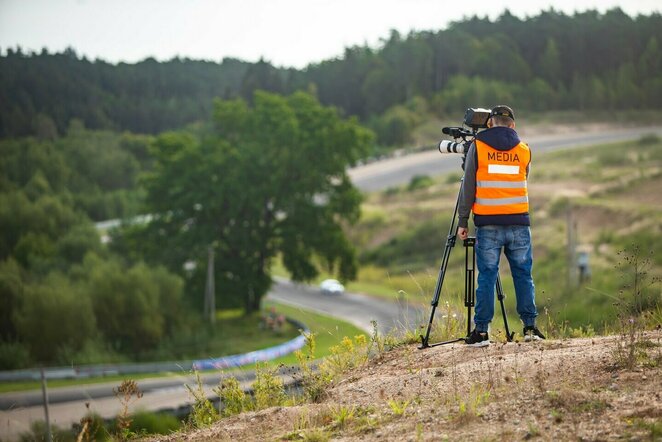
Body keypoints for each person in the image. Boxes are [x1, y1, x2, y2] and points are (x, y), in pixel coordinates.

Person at [456, 105, 545, 346]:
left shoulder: (479, 146)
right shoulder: (525, 150)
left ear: (490, 123)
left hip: (488, 224)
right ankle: (530, 328)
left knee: (487, 276)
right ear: (513, 125)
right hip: (519, 222)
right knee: (523, 275)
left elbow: (468, 188)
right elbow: (520, 178)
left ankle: (482, 332)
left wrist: (463, 221)